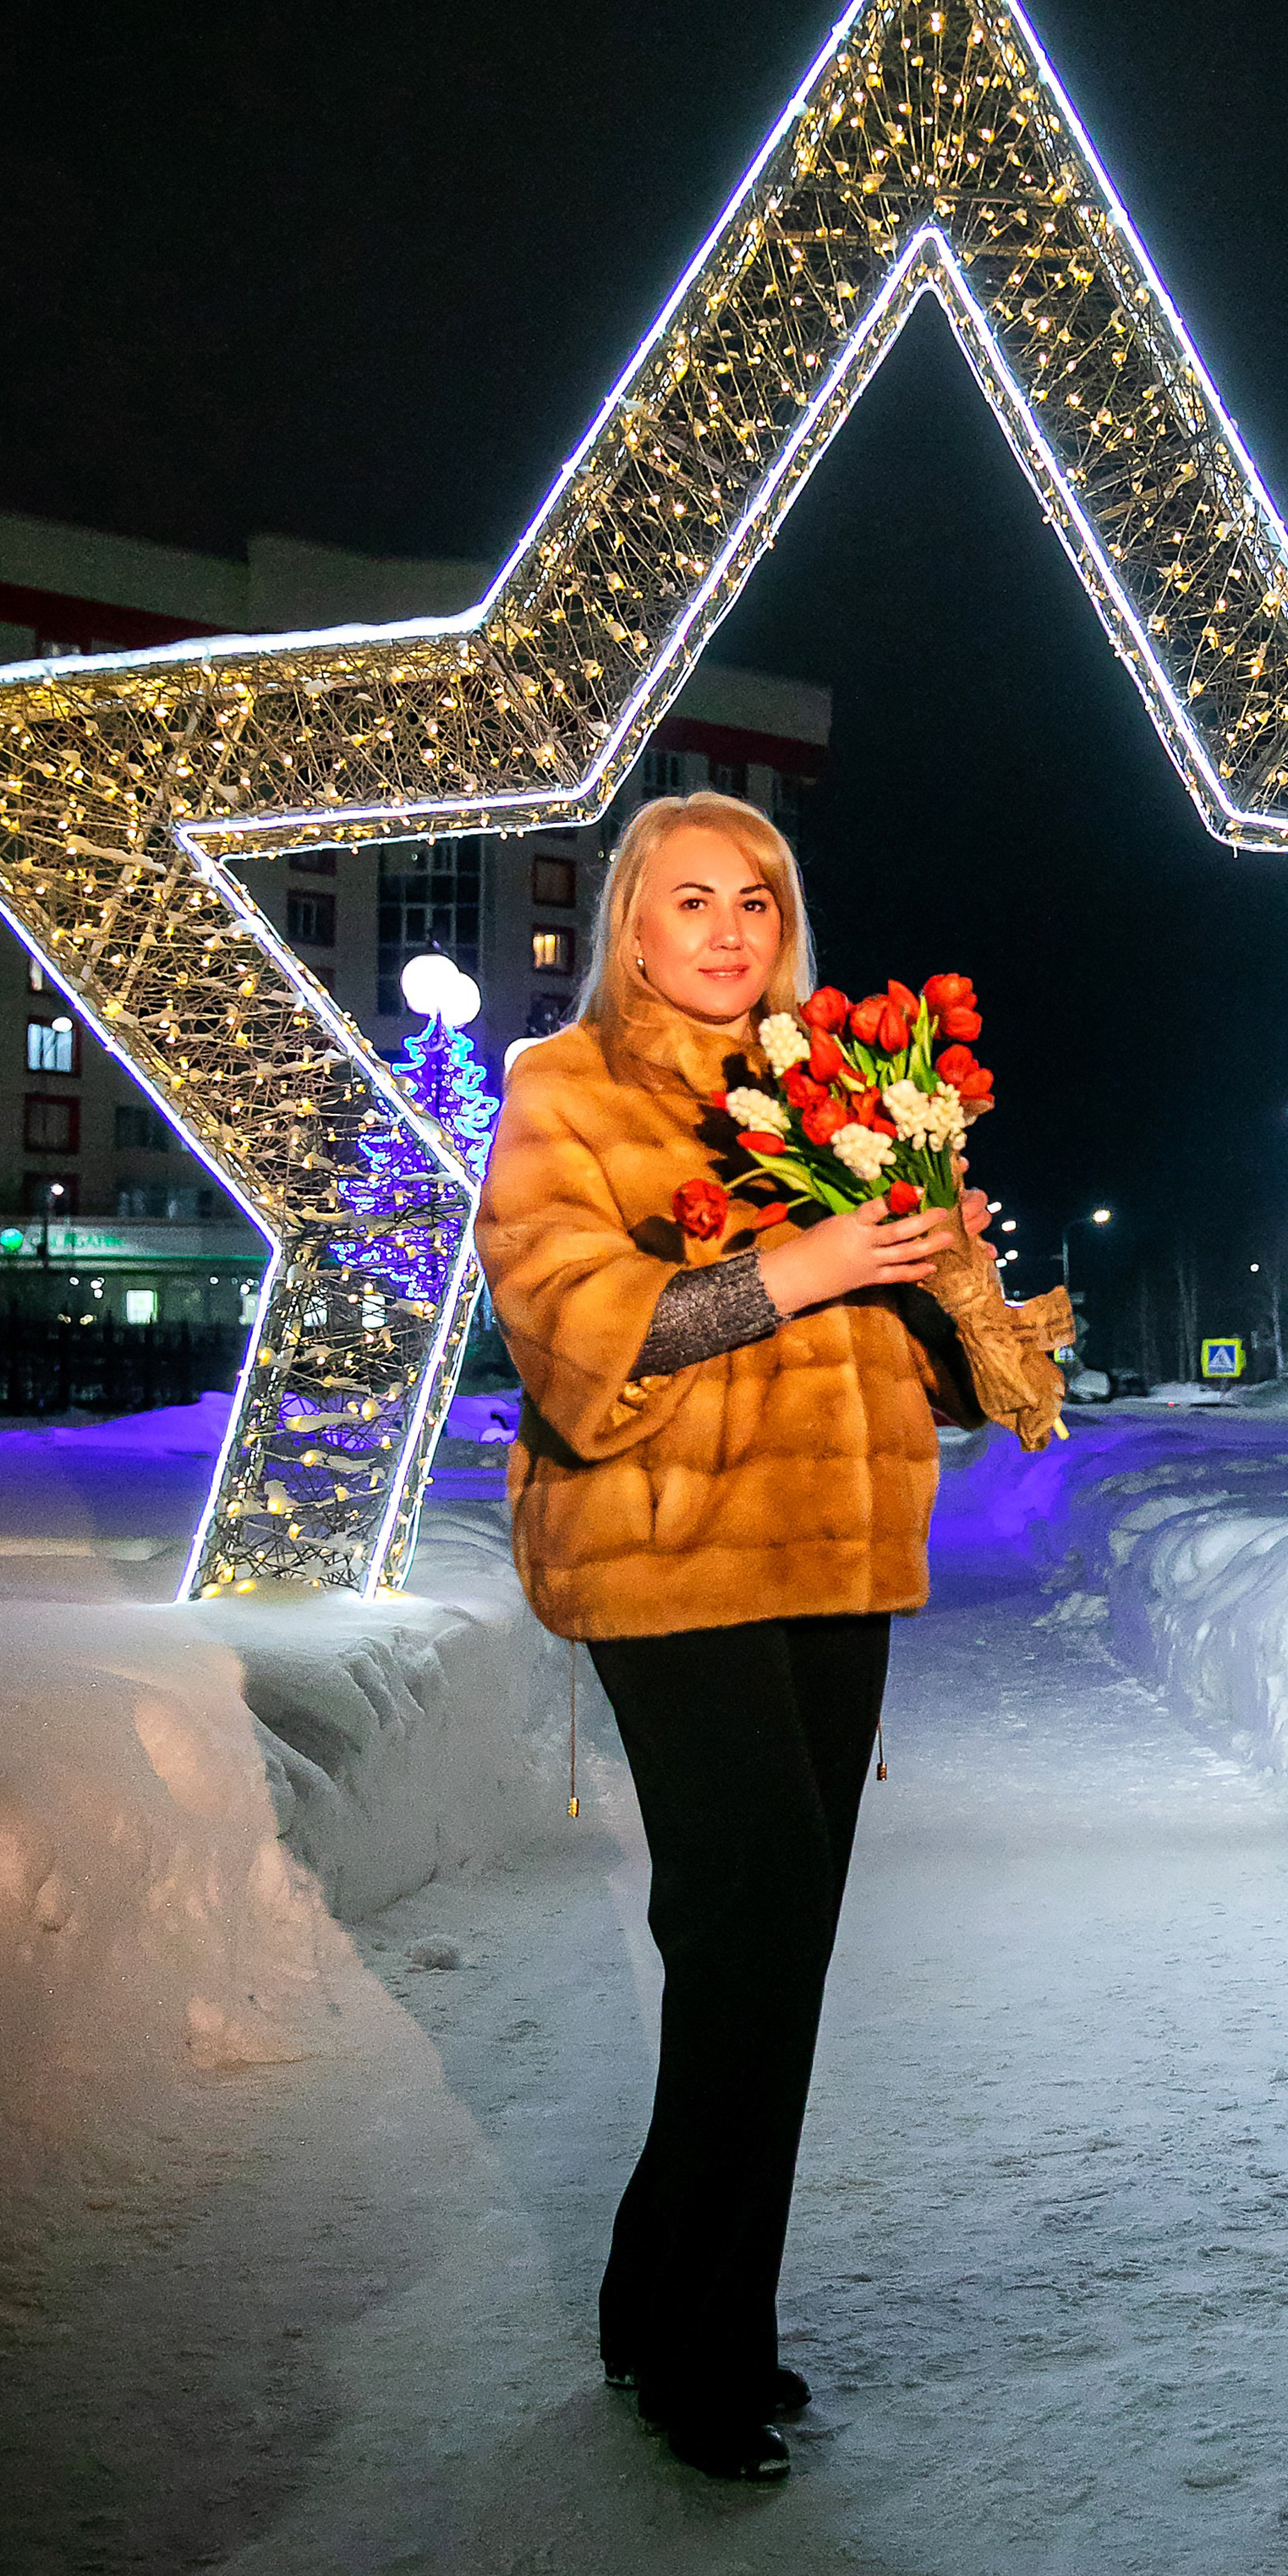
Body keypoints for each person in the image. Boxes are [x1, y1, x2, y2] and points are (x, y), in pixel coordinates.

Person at [475, 789, 986, 2483]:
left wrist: (941, 1274)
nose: (722, 928)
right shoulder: (568, 1088)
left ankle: (679, 2299)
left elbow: (929, 1346)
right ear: (627, 923)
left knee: (771, 1942)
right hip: (667, 1554)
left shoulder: (836, 1085)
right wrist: (807, 1260)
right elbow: (574, 1329)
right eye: (685, 899)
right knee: (751, 1909)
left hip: (834, 1562)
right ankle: (697, 2347)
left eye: (752, 898)